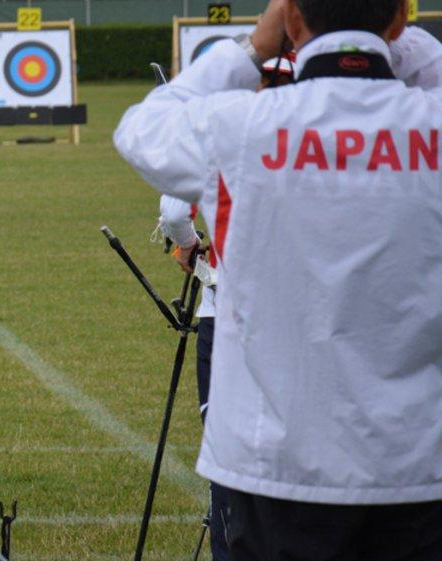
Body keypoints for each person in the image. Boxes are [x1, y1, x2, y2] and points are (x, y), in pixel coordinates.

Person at [115, 0, 442, 560]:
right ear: (402, 17)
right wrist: (392, 43)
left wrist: (249, 49)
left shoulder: (241, 127)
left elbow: (142, 126)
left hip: (275, 471)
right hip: (418, 466)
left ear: (291, 18)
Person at [155, 56, 293, 561]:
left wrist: (193, 252)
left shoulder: (224, 131)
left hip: (226, 313)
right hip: (296, 315)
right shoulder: (314, 135)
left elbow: (173, 212)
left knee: (229, 442)